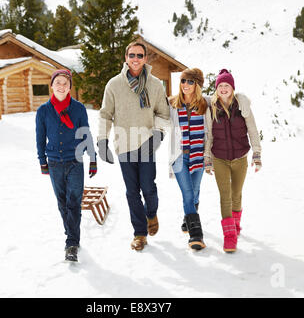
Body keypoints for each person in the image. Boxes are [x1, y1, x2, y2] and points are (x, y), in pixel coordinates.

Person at [97, 41, 170, 251]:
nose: (135, 59)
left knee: (148, 188)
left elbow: (163, 114)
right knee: (132, 192)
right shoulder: (114, 85)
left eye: (139, 55)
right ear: (126, 58)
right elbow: (105, 114)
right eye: (132, 55)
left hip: (147, 143)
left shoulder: (155, 85)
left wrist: (158, 134)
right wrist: (102, 140)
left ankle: (151, 213)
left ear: (145, 59)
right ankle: (139, 233)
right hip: (124, 145)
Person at [36, 69, 97, 262]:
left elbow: (85, 133)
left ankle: (71, 243)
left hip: (75, 161)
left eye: (65, 83)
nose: (61, 86)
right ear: (52, 85)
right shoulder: (43, 111)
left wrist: (93, 158)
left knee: (74, 203)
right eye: (58, 82)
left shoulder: (78, 109)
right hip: (54, 162)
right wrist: (42, 161)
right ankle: (71, 233)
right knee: (62, 203)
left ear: (70, 86)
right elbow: (40, 138)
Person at [204, 69, 262, 253]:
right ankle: (229, 236)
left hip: (240, 158)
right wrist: (207, 159)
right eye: (220, 85)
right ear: (216, 89)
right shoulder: (211, 108)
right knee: (225, 196)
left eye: (226, 85)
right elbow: (209, 135)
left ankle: (235, 225)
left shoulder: (242, 105)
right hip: (219, 158)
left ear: (232, 88)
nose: (223, 88)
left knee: (237, 194)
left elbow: (252, 130)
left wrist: (257, 154)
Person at [168, 68, 207, 250]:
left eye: (190, 82)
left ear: (197, 85)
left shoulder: (205, 104)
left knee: (196, 189)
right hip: (179, 157)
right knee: (188, 193)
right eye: (183, 81)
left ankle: (188, 217)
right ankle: (196, 235)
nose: (185, 85)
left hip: (199, 154)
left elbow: (228, 96)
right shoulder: (172, 104)